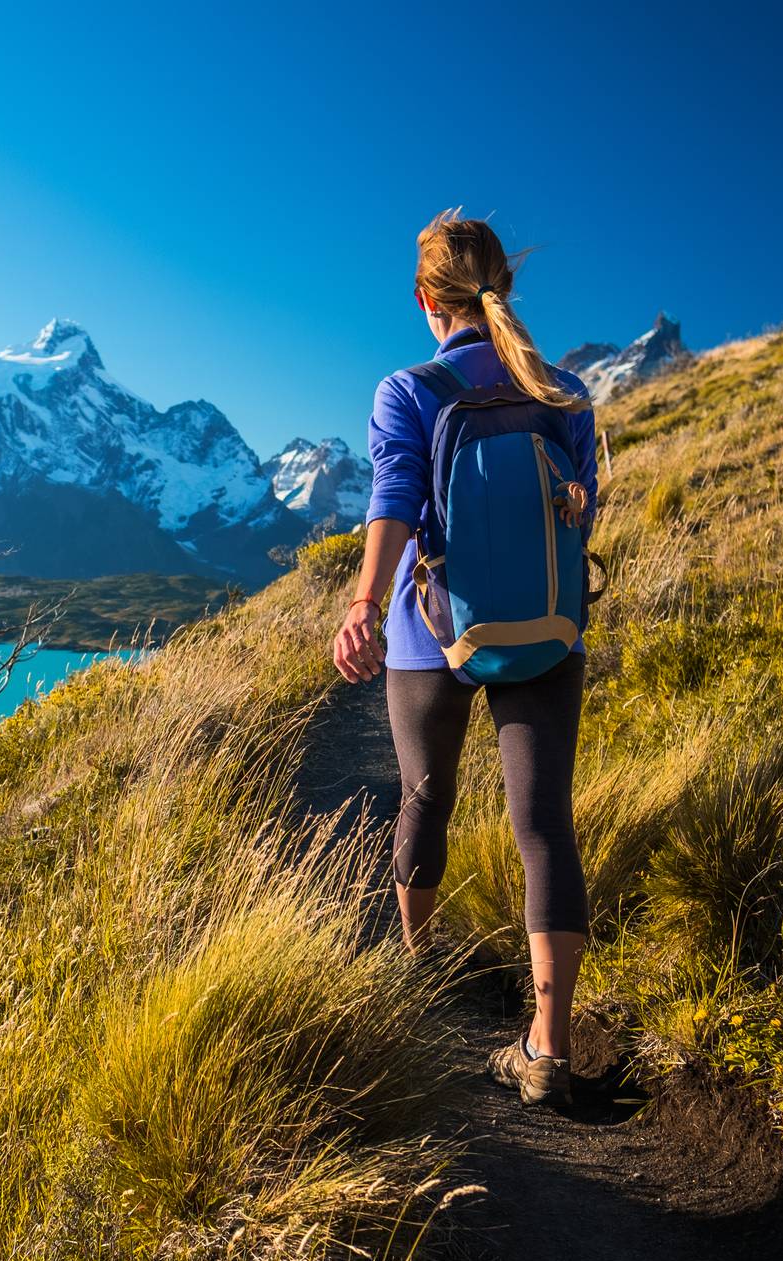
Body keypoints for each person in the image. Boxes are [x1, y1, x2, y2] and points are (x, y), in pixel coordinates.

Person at [330, 210, 598, 1107]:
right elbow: (581, 511)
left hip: (426, 633)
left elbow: (396, 498)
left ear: (424, 298)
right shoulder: (565, 391)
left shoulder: (407, 390)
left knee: (424, 794)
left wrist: (365, 602)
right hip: (548, 633)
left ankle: (419, 967)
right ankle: (547, 1048)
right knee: (544, 824)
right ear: (503, 288)